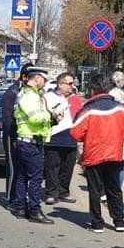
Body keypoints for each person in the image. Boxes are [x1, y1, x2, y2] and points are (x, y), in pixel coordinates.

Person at [70, 73, 124, 233]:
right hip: (114, 154)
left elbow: (75, 133)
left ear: (92, 89)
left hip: (94, 155)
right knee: (114, 188)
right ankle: (119, 221)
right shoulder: (120, 108)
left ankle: (97, 223)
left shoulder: (88, 110)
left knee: (95, 190)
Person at [10, 68, 53, 224]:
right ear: (36, 78)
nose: (45, 82)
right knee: (36, 178)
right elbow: (35, 118)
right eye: (44, 79)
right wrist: (49, 114)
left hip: (26, 140)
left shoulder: (28, 94)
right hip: (30, 142)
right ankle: (35, 210)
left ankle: (21, 207)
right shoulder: (29, 96)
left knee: (22, 176)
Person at [43, 72, 80, 205]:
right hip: (54, 137)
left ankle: (63, 191)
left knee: (68, 167)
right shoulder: (48, 96)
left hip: (71, 137)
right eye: (69, 83)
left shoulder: (74, 98)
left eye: (73, 83)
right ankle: (51, 193)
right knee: (52, 167)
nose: (72, 86)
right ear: (60, 84)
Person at [2, 64, 33, 204]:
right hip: (12, 136)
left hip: (25, 137)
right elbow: (8, 119)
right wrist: (14, 138)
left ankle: (20, 197)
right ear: (24, 77)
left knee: (23, 169)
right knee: (14, 168)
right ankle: (10, 198)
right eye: (32, 77)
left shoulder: (29, 92)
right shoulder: (12, 92)